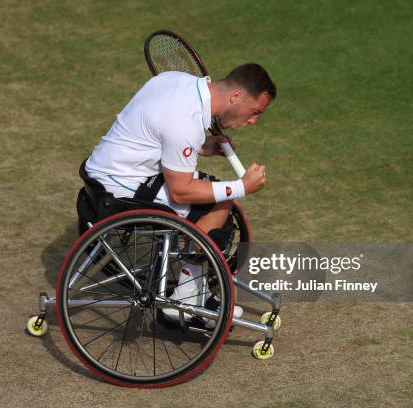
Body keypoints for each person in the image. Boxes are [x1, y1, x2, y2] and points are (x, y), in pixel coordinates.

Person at [83, 63, 276, 323]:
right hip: (118, 190)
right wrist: (242, 186)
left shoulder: (177, 80)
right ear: (236, 96)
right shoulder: (187, 121)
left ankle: (195, 290)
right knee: (216, 201)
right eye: (255, 112)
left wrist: (202, 146)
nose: (253, 121)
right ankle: (184, 298)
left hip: (104, 173)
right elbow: (181, 192)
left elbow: (158, 133)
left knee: (217, 194)